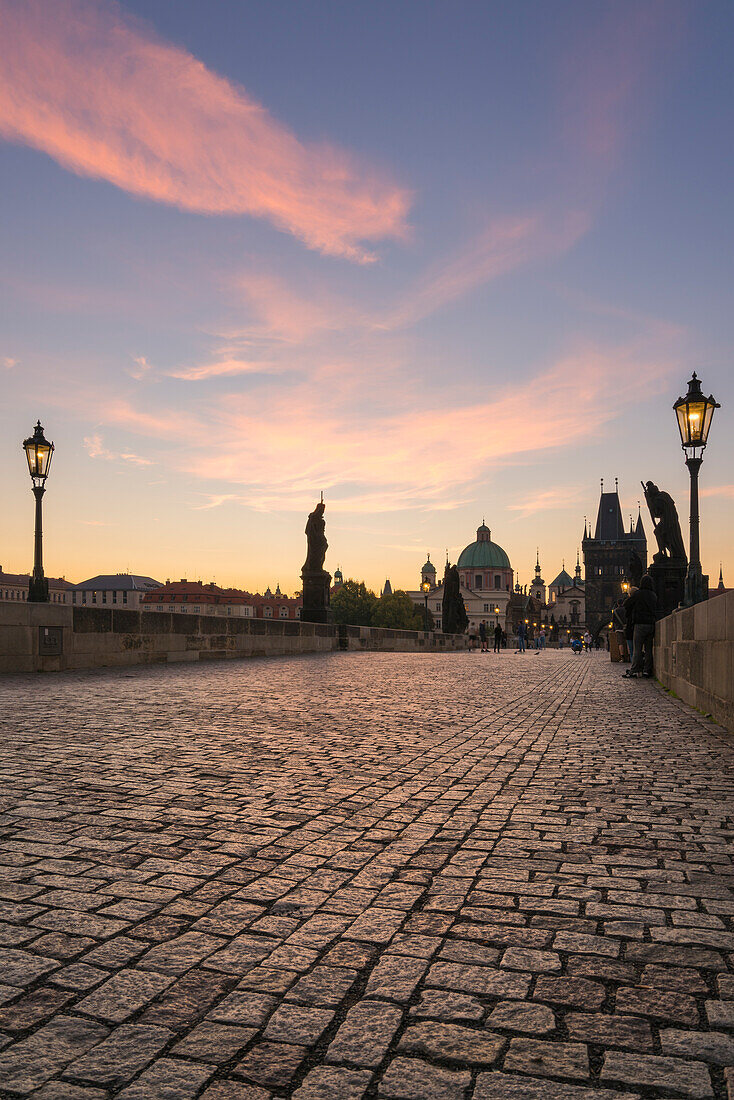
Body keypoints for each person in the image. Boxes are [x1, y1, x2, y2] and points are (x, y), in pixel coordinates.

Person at [623, 573, 657, 678]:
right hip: (651, 624)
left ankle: (634, 670)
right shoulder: (653, 595)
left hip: (640, 624)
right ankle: (647, 670)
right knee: (648, 649)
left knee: (637, 648)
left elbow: (626, 604)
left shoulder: (638, 594)